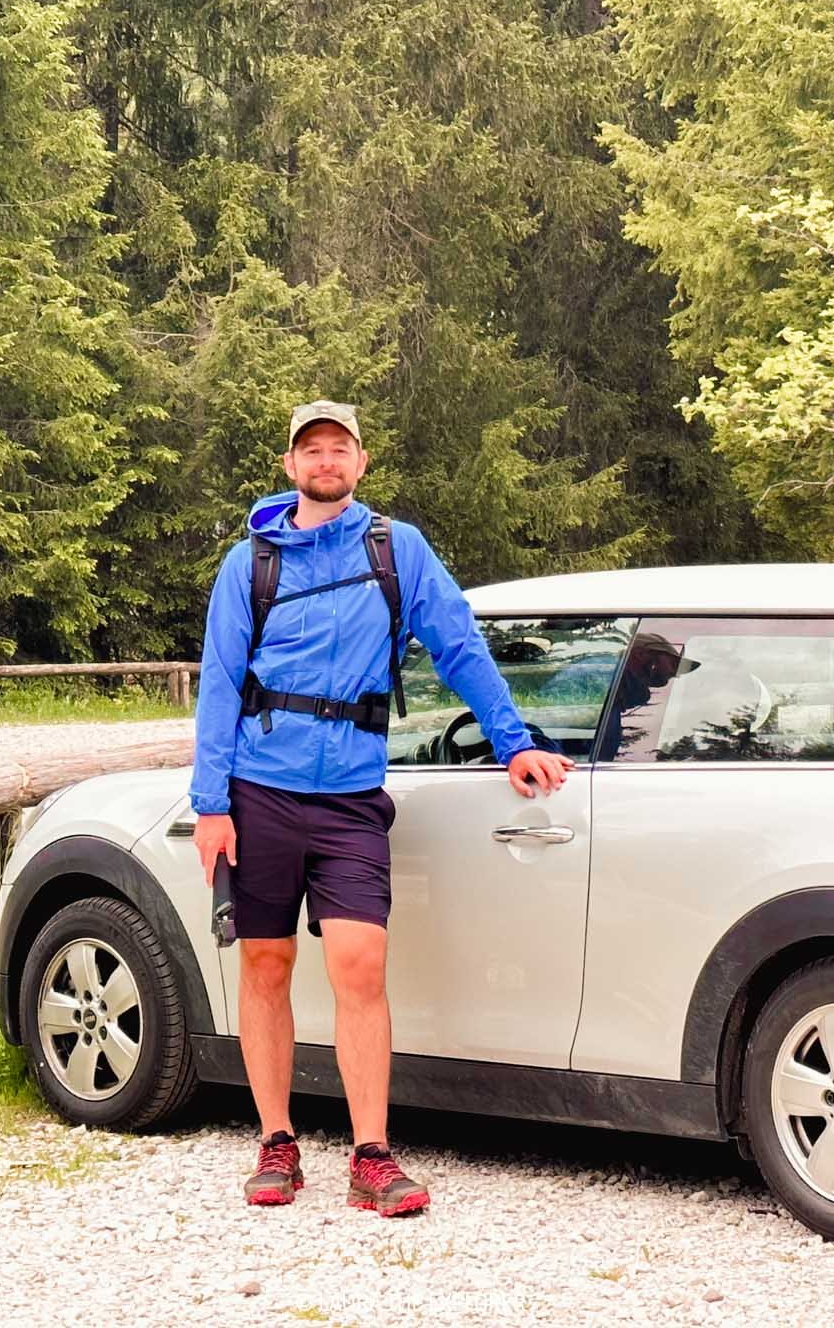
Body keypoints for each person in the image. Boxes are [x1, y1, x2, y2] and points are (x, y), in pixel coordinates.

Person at [190, 399, 572, 1216]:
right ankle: (276, 1143)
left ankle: (371, 1156)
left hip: (352, 798)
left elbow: (459, 643)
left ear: (361, 464)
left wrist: (515, 742)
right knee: (266, 964)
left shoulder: (398, 550)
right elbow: (220, 682)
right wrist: (210, 804)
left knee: (360, 965)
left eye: (340, 449)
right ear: (290, 467)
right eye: (311, 450)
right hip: (260, 792)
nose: (325, 461)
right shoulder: (248, 563)